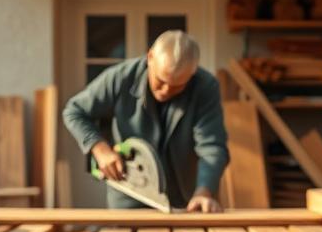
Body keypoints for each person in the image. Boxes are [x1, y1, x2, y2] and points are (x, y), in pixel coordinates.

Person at [63, 30, 228, 212]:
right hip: (129, 191)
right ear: (150, 57)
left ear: (193, 72)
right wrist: (100, 149)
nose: (165, 90)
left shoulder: (206, 87)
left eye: (177, 86)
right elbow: (74, 111)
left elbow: (212, 147)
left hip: (184, 199)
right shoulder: (120, 78)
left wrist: (203, 192)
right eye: (160, 80)